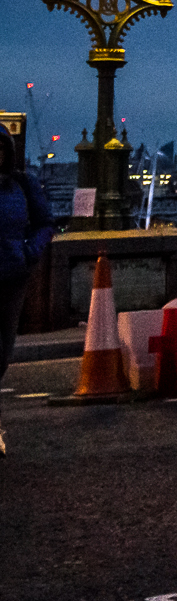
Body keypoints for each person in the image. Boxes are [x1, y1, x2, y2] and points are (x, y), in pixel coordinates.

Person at [0, 130, 56, 457]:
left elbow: (46, 224)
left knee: (4, 353)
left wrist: (28, 252)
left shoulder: (23, 184)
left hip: (11, 277)